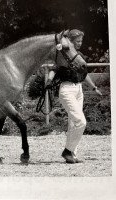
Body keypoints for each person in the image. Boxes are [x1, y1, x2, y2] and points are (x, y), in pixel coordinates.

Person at [46, 29, 102, 164]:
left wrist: (94, 87)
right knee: (81, 122)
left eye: (81, 41)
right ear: (70, 41)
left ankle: (72, 154)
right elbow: (54, 69)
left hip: (78, 89)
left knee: (73, 123)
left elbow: (84, 74)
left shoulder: (79, 56)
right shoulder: (64, 54)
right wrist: (48, 81)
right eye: (77, 41)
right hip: (67, 89)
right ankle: (67, 151)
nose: (80, 43)